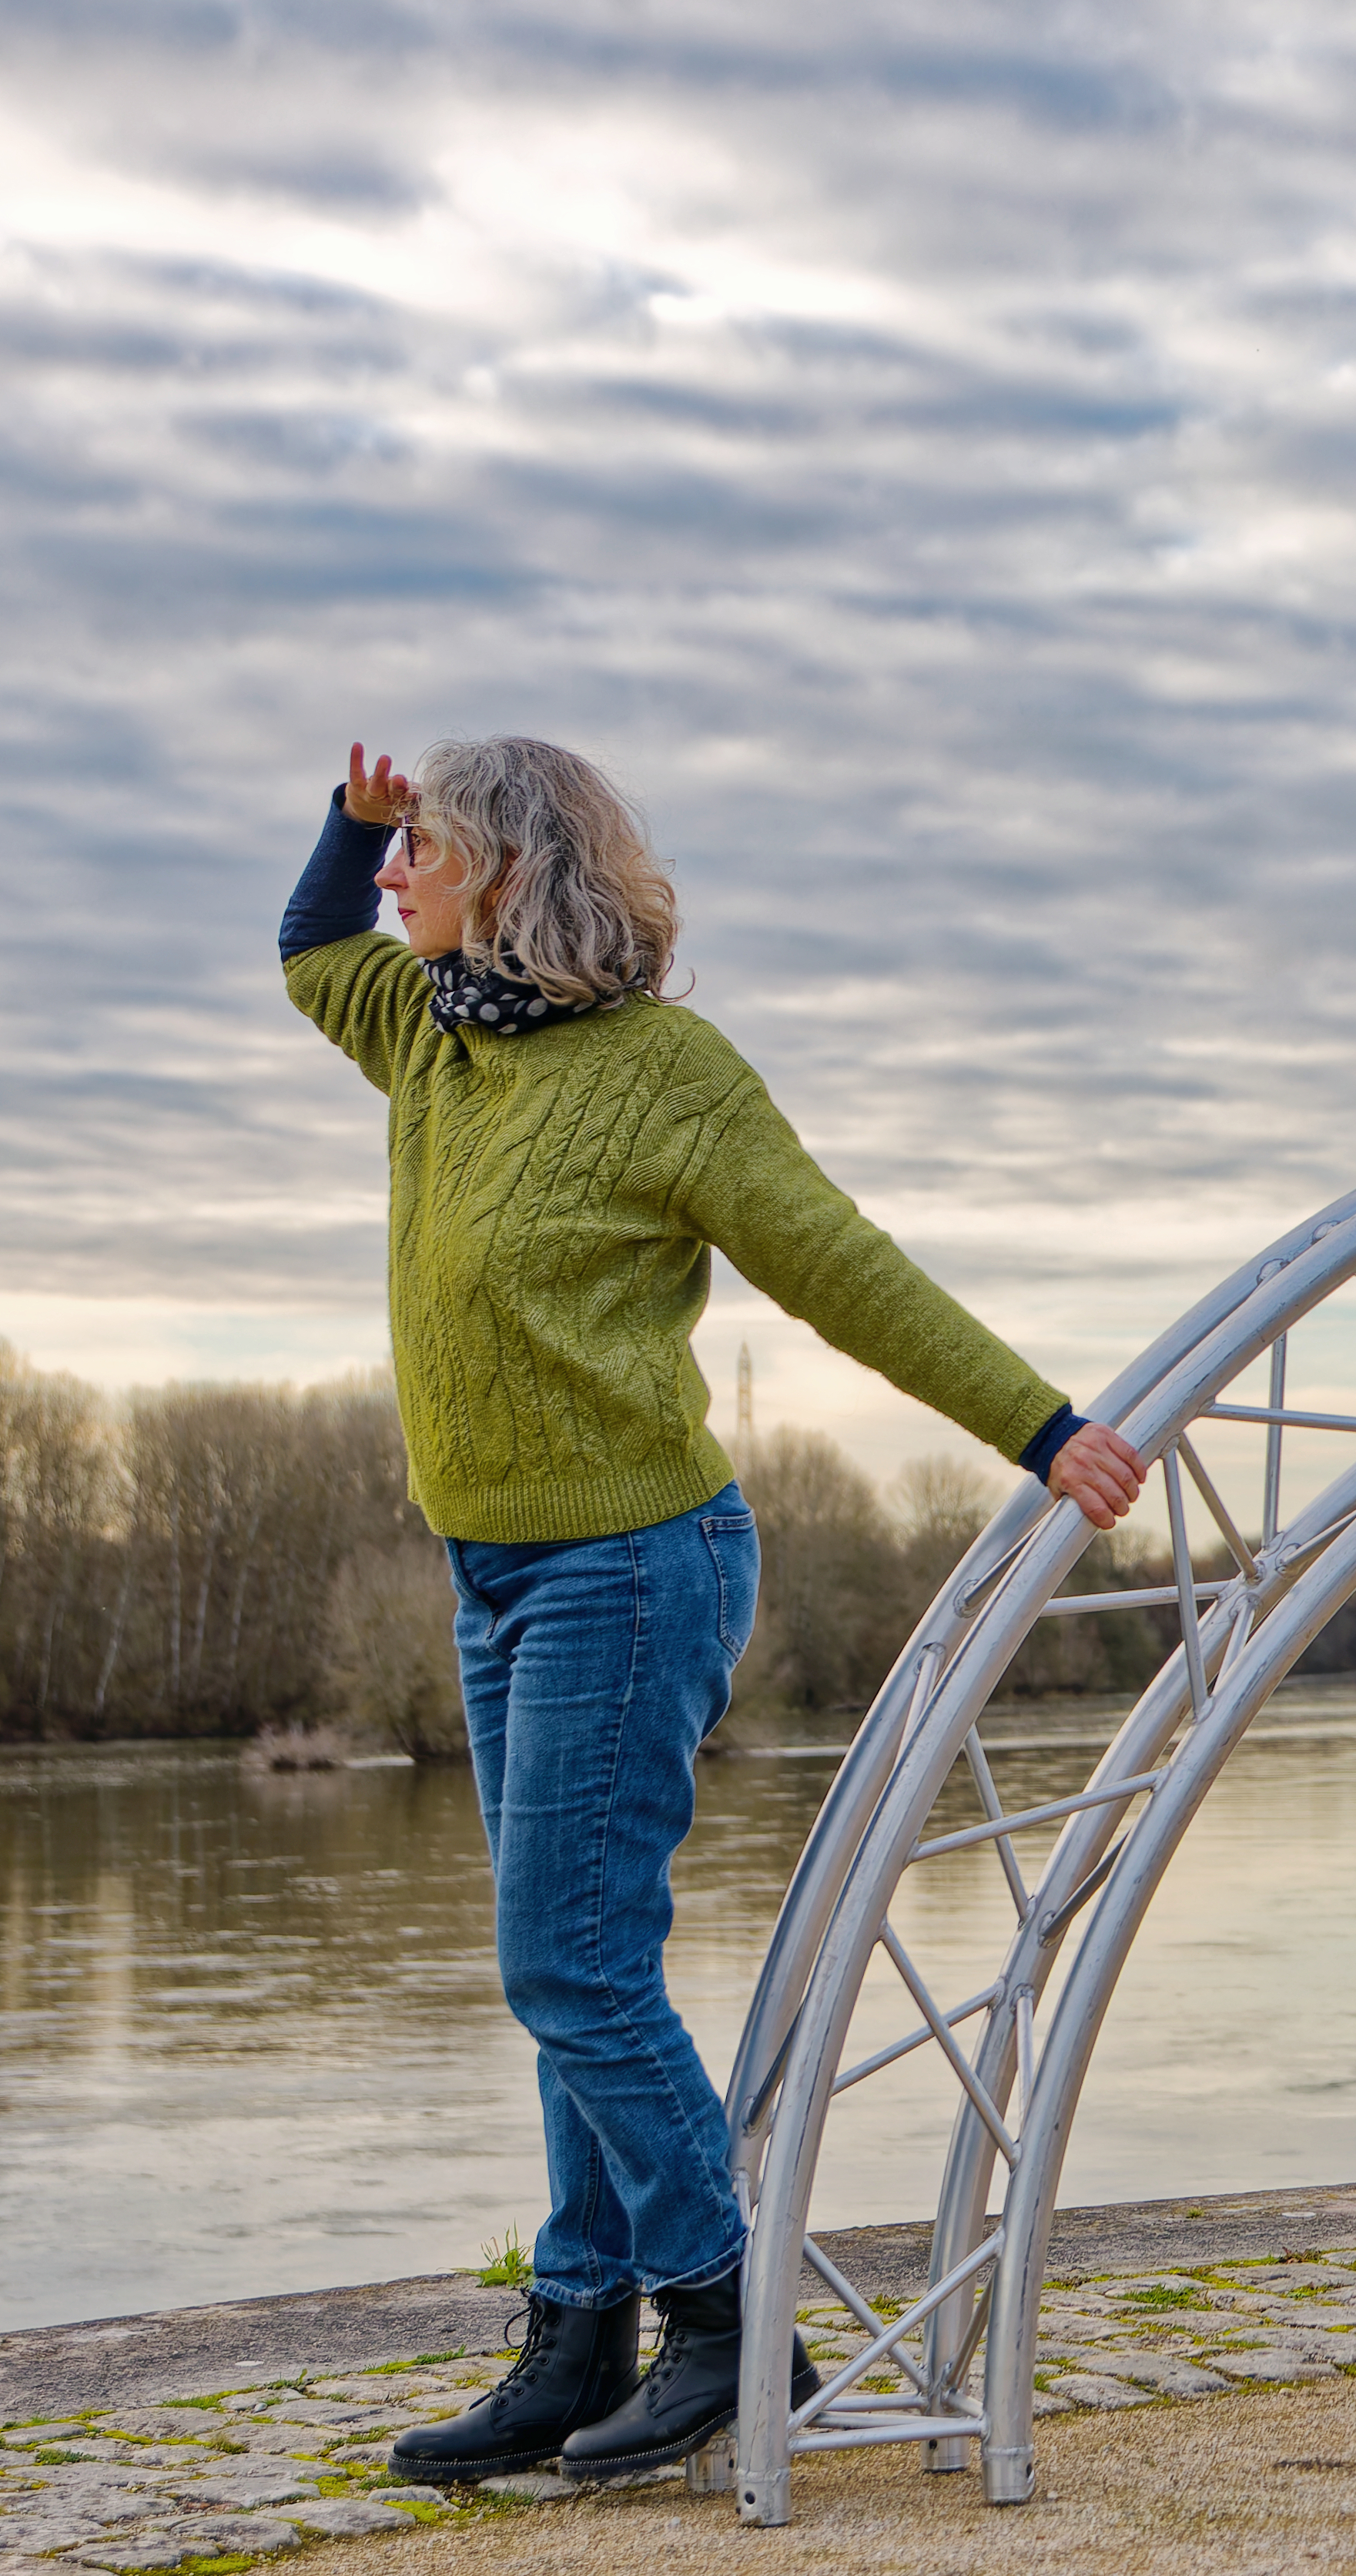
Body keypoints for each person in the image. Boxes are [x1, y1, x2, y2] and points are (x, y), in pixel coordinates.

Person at [278, 738, 1147, 2484]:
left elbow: (841, 1268)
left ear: (510, 873)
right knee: (572, 1970)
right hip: (498, 1573)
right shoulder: (428, 1036)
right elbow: (308, 955)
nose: (395, 885)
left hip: (631, 1562)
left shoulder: (668, 1078)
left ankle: (730, 2312)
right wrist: (349, 818)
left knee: (568, 1962)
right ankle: (582, 2332)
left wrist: (1045, 1432)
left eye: (422, 853)